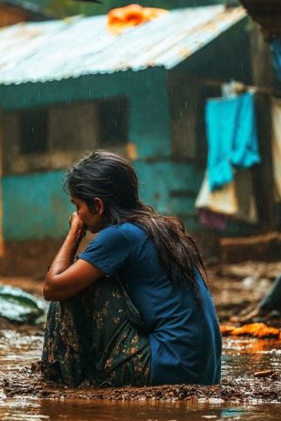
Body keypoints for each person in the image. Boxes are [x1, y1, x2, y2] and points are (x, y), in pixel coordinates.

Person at [41, 151, 221, 387]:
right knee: (81, 281)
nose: (77, 215)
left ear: (98, 205)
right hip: (201, 370)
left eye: (78, 206)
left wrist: (75, 232)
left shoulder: (120, 236)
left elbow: (52, 288)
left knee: (73, 290)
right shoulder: (159, 227)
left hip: (169, 368)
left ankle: (58, 381)